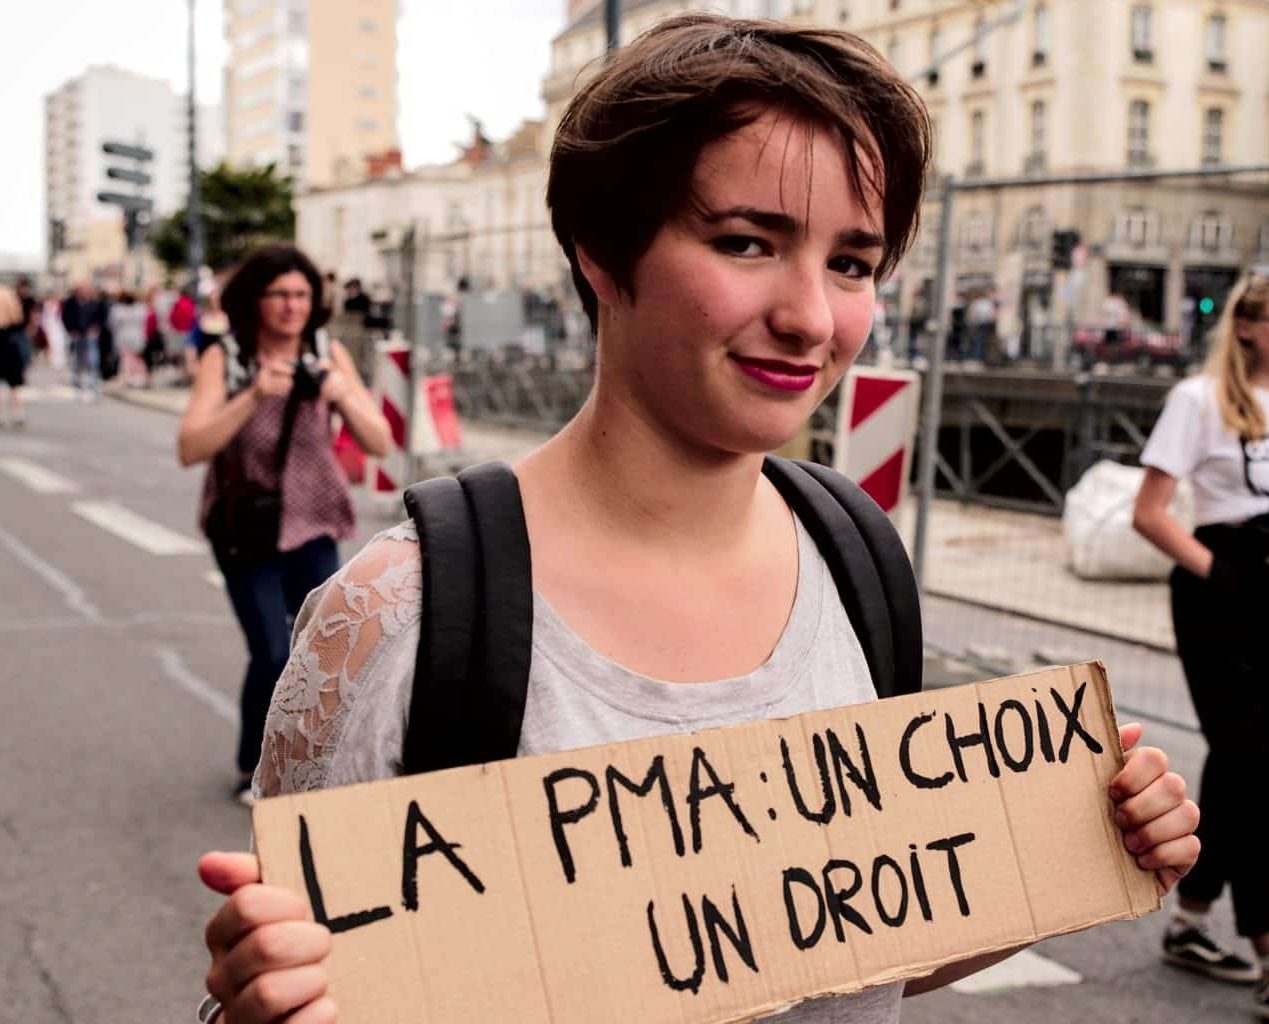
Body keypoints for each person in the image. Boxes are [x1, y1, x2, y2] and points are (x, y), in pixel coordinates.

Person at [193, 17, 1202, 1024]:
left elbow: (833, 944)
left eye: (852, 263)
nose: (811, 315)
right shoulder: (397, 616)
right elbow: (328, 983)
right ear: (599, 249)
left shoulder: (855, 558)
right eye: (747, 242)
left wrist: (1062, 856)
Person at [1132, 269, 1269, 1023]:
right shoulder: (1198, 401)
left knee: (1238, 769)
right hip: (1221, 598)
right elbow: (1151, 512)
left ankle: (1192, 923)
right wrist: (1221, 576)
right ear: (1251, 326)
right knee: (1250, 773)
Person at [177, 244, 394, 807]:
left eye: (301, 294)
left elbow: (380, 443)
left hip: (315, 520)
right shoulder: (227, 356)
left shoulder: (326, 351)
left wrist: (343, 393)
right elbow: (190, 446)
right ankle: (254, 766)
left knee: (319, 656)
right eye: (280, 294)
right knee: (272, 651)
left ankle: (313, 766)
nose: (293, 306)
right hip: (245, 524)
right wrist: (253, 396)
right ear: (256, 299)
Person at [61, 280, 106, 401]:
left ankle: (95, 389)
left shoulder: (95, 302)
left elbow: (101, 317)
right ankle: (79, 388)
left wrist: (96, 329)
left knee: (93, 361)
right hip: (77, 336)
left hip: (90, 336)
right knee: (78, 363)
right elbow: (65, 317)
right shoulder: (71, 303)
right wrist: (70, 330)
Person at [107, 287, 150, 388]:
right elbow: (144, 321)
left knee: (127, 358)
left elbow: (112, 324)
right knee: (136, 358)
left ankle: (131, 377)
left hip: (124, 336)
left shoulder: (118, 309)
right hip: (137, 335)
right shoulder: (140, 308)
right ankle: (137, 378)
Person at [0, 282, 26, 427]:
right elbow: (17, 317)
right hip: (7, 337)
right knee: (14, 381)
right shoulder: (7, 293)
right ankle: (17, 413)